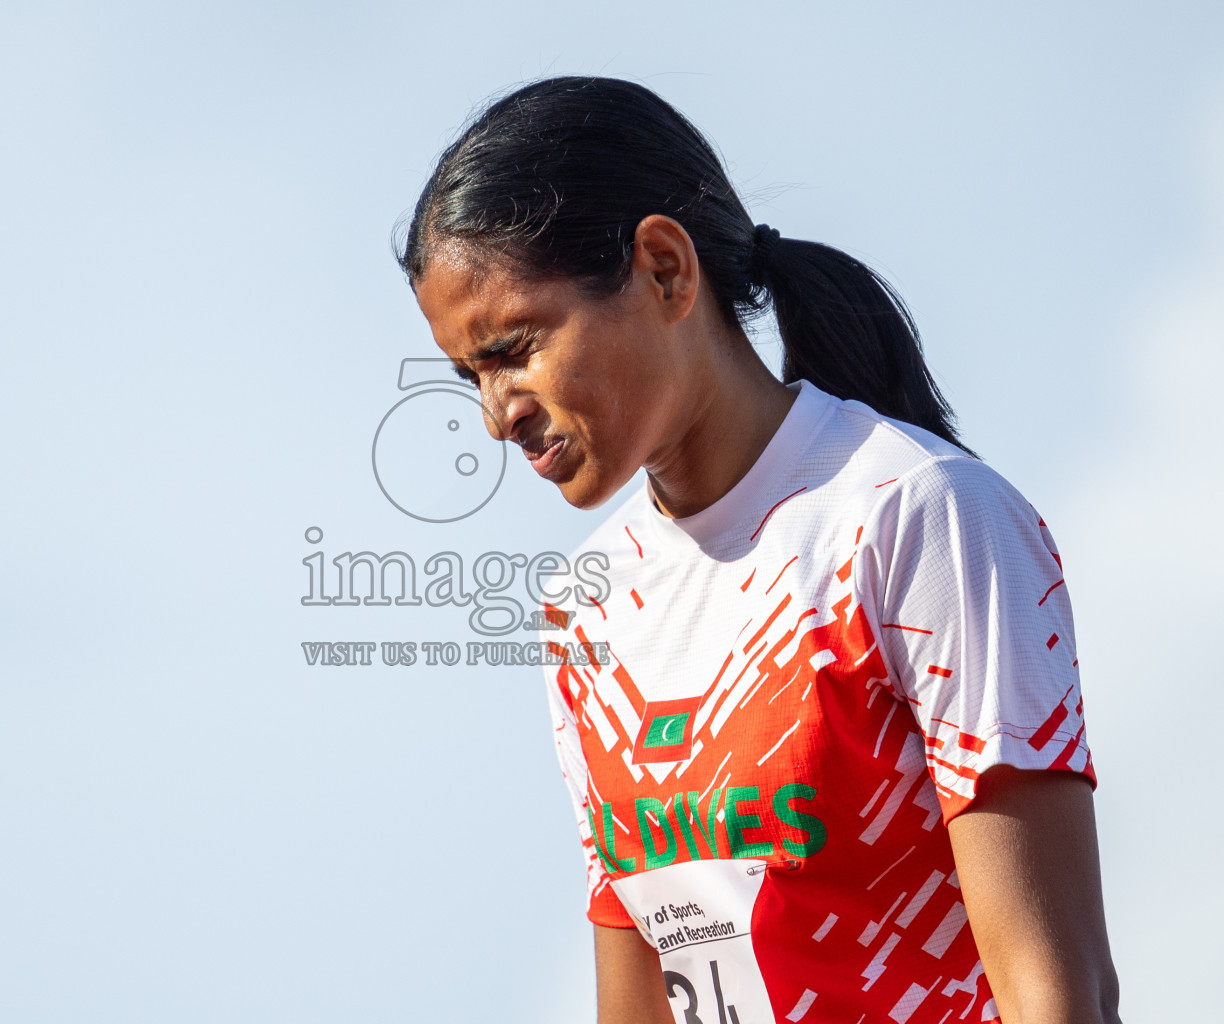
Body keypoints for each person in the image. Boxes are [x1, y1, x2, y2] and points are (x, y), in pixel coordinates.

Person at [399, 77, 1120, 1024]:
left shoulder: (918, 518)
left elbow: (1056, 991)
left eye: (513, 349)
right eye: (469, 375)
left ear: (664, 269)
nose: (497, 416)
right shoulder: (589, 605)